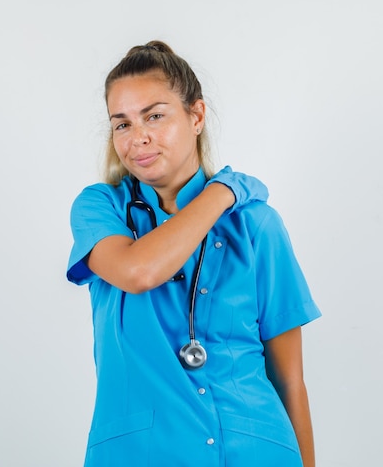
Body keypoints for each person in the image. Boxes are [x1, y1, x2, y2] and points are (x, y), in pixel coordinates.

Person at [67, 40, 321, 467]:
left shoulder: (257, 224)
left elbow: (290, 379)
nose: (139, 137)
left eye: (155, 115)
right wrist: (221, 192)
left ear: (197, 115)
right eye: (122, 124)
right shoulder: (101, 210)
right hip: (139, 453)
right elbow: (137, 271)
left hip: (253, 449)